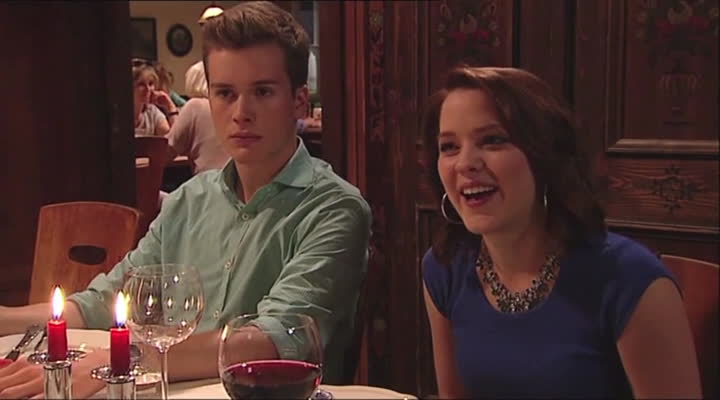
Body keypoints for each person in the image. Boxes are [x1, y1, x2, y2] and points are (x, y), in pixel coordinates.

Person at [0, 2, 371, 397]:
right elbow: (104, 301)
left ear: (299, 101)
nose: (241, 112)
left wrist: (119, 357)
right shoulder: (188, 200)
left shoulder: (335, 209)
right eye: (225, 93)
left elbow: (272, 342)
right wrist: (5, 319)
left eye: (262, 92)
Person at [421, 66, 701, 398]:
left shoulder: (630, 279)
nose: (465, 163)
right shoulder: (445, 267)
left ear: (544, 156)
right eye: (449, 146)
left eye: (493, 140)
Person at [132, 62, 178, 136]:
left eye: (150, 83)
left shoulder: (152, 112)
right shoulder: (118, 115)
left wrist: (170, 107)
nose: (148, 89)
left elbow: (175, 138)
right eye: (141, 84)